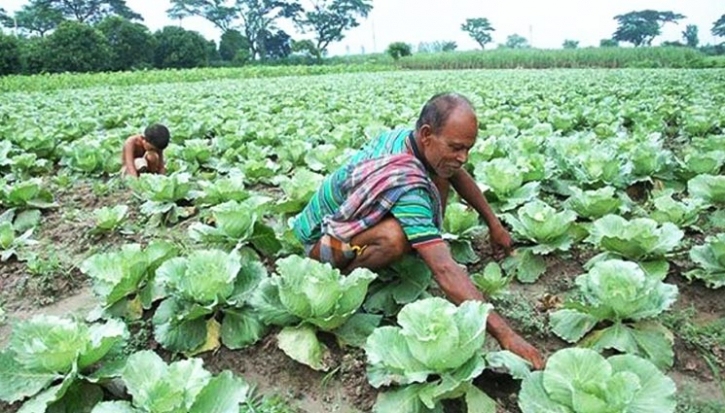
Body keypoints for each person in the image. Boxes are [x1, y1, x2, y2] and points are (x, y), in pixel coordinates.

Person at [293, 93, 545, 369]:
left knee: (442, 174)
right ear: (427, 134)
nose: (463, 157)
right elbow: (444, 269)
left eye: (468, 149)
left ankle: (417, 238)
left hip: (348, 227)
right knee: (393, 239)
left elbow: (458, 175)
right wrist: (506, 335)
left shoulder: (410, 141)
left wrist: (494, 225)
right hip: (321, 243)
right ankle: (347, 282)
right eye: (456, 147)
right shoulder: (404, 179)